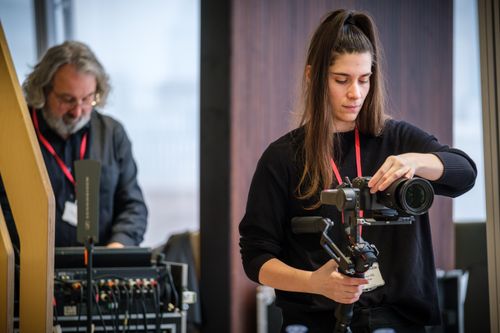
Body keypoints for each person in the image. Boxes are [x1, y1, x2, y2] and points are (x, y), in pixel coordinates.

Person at [239, 9, 476, 333]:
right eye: (342, 80)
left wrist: (416, 161)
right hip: (316, 321)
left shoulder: (398, 139)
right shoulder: (283, 157)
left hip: (399, 322)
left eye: (364, 79)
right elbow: (256, 258)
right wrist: (315, 283)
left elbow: (466, 173)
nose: (356, 93)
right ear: (314, 76)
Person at [18, 40, 148, 248]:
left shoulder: (112, 134)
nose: (77, 112)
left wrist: (118, 245)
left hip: (101, 267)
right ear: (42, 90)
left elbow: (133, 206)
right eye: (67, 99)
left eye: (87, 99)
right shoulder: (17, 134)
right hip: (32, 270)